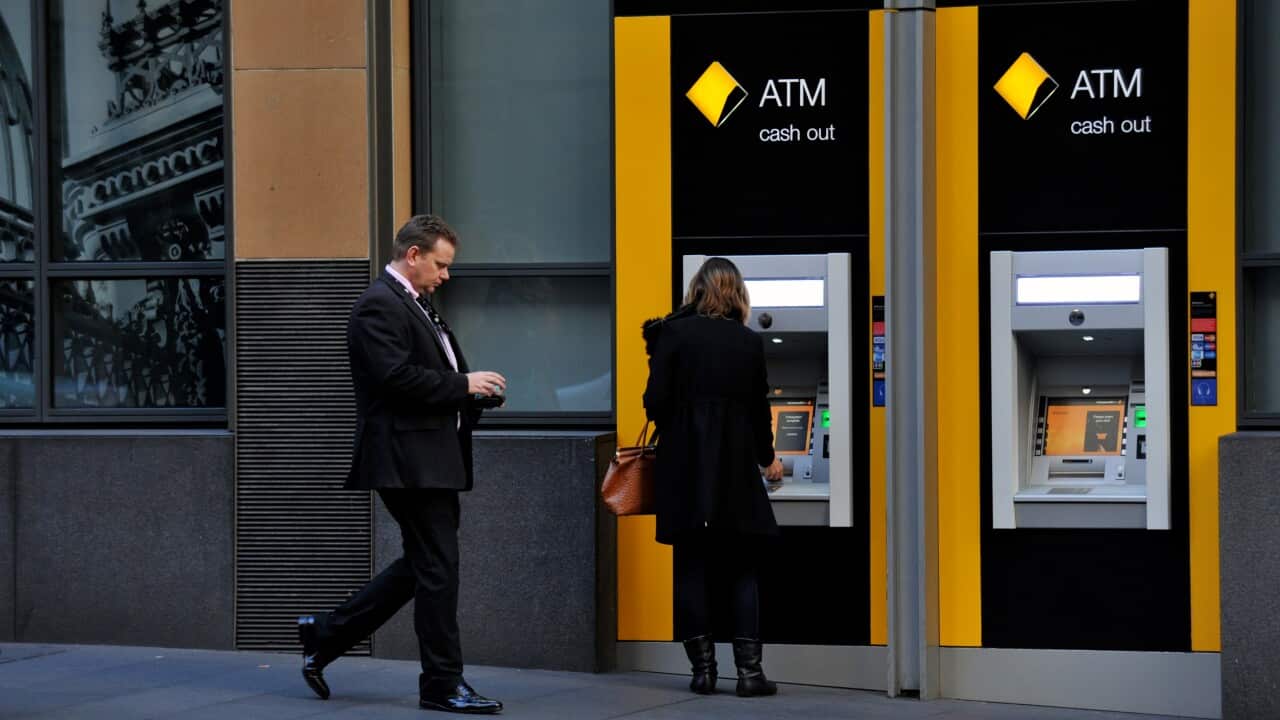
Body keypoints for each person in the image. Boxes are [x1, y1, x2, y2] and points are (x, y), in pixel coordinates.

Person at [297, 214, 507, 715]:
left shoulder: (415, 304)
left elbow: (429, 374)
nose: (445, 275)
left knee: (424, 566)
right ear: (413, 255)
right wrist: (463, 385)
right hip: (405, 460)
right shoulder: (378, 305)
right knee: (439, 569)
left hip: (430, 457)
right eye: (440, 264)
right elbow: (393, 378)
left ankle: (325, 633)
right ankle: (441, 683)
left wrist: (473, 396)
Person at [642, 256, 785, 698]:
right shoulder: (747, 342)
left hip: (684, 469)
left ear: (696, 290)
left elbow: (654, 403)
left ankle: (702, 672)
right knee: (742, 569)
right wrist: (769, 459)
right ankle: (749, 675)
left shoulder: (673, 334)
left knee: (690, 567)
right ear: (738, 293)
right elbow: (761, 412)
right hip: (734, 469)